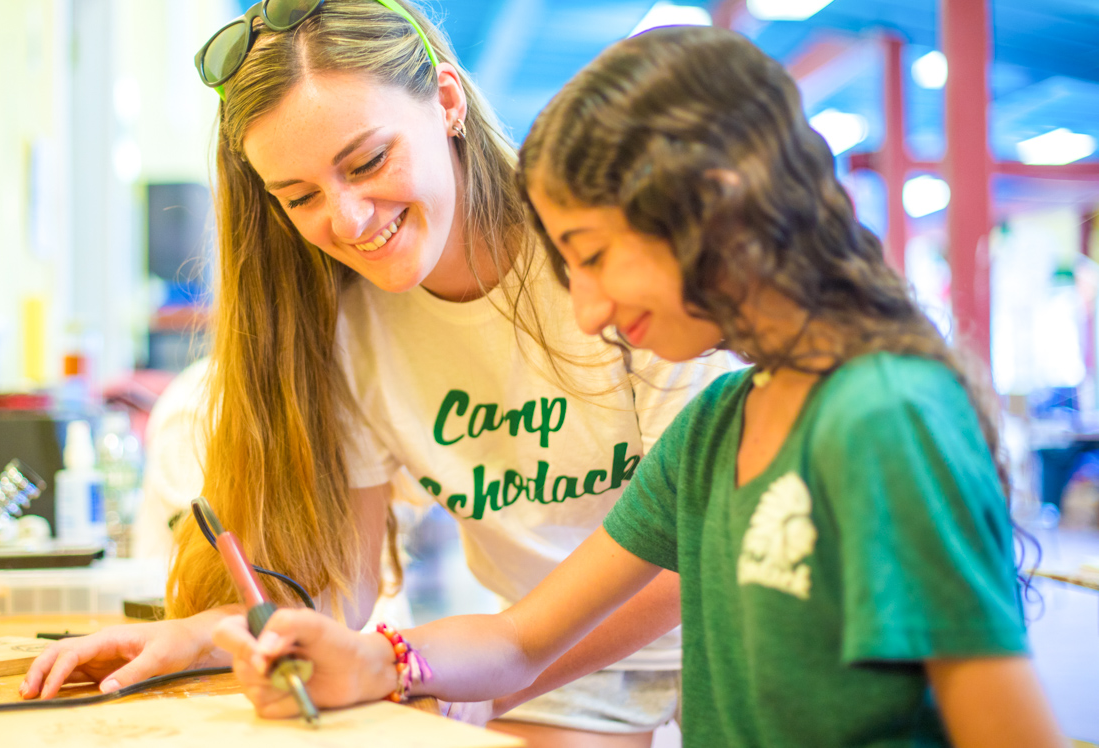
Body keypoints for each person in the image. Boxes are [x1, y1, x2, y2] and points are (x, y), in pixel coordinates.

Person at [213, 26, 1069, 747]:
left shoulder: (885, 420)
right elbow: (520, 640)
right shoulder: (713, 434)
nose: (584, 312)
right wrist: (377, 659)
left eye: (590, 258)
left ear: (714, 207)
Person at [20, 1, 731, 743]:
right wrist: (199, 637)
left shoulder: (601, 252)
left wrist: (473, 676)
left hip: (693, 619)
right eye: (300, 197)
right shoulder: (352, 329)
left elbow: (697, 554)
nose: (350, 220)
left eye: (367, 162)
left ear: (447, 102)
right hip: (530, 657)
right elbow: (343, 593)